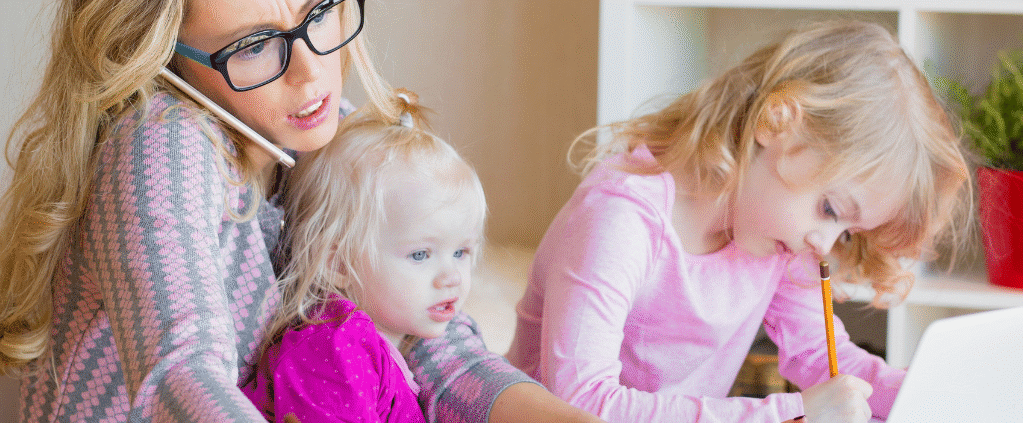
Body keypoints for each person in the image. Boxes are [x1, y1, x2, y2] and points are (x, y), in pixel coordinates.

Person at [0, 0, 597, 421]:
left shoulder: (313, 130)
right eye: (255, 45)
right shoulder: (160, 143)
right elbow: (181, 376)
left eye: (320, 11)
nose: (312, 73)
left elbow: (430, 341)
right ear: (162, 56)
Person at [506, 20, 972, 423]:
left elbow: (820, 357)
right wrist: (786, 411)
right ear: (776, 123)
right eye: (830, 209)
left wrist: (929, 393)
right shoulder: (622, 217)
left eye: (847, 232)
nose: (824, 243)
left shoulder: (780, 238)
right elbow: (579, 405)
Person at [242, 92, 481, 422]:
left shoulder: (371, 346)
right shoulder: (336, 348)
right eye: (421, 254)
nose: (452, 277)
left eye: (460, 252)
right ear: (337, 263)